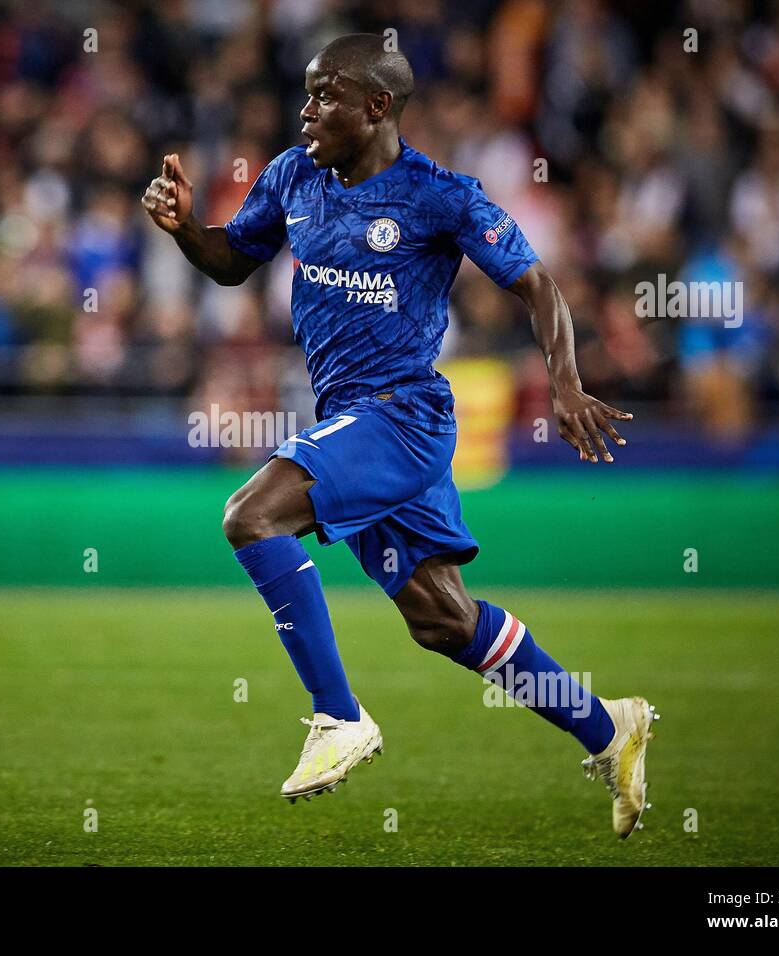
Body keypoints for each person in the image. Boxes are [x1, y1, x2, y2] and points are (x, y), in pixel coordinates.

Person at [142, 34, 657, 836]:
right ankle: (607, 728)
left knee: (250, 514)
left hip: (403, 416)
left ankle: (338, 716)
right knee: (443, 621)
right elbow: (231, 260)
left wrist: (564, 381)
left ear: (376, 107)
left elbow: (538, 284)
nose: (306, 110)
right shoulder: (292, 176)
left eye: (325, 96)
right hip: (349, 419)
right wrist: (182, 228)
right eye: (307, 94)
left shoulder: (439, 196)